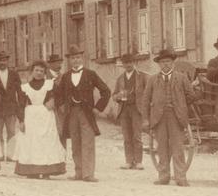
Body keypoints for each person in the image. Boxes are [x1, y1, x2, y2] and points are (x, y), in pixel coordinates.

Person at [51, 48, 110, 182]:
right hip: (71, 113)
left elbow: (106, 91)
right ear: (69, 60)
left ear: (82, 58)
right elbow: (58, 94)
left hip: (86, 113)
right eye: (72, 58)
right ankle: (79, 172)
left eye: (77, 57)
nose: (75, 60)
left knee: (88, 142)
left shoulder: (91, 74)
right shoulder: (65, 76)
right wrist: (61, 106)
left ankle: (88, 174)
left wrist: (97, 108)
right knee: (76, 142)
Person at [142, 48, 196, 187]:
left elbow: (191, 95)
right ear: (159, 64)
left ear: (173, 63)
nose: (166, 64)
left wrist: (180, 105)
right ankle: (163, 177)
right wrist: (146, 119)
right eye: (163, 62)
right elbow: (145, 100)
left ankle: (181, 177)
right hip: (159, 117)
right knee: (162, 148)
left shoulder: (182, 78)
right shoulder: (153, 80)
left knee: (178, 147)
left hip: (176, 116)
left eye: (168, 61)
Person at [13, 60, 65, 179]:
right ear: (32, 72)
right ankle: (32, 171)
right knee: (32, 142)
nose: (39, 73)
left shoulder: (50, 85)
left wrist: (54, 101)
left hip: (46, 116)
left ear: (45, 72)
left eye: (42, 71)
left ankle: (47, 171)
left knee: (47, 141)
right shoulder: (25, 87)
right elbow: (20, 105)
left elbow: (62, 97)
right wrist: (21, 120)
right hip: (31, 116)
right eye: (36, 70)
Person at [112, 53, 146, 170]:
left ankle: (139, 161)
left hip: (136, 109)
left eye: (130, 62)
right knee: (127, 137)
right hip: (124, 110)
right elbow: (114, 95)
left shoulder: (142, 76)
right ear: (123, 64)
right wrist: (118, 96)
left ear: (134, 63)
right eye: (125, 63)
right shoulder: (120, 79)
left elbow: (148, 93)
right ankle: (128, 161)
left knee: (137, 136)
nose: (128, 65)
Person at [0, 52, 23, 162]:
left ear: (7, 61)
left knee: (11, 132)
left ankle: (10, 155)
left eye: (4, 60)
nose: (2, 62)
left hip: (11, 108)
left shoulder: (14, 74)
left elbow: (20, 91)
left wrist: (20, 106)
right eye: (0, 60)